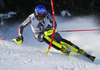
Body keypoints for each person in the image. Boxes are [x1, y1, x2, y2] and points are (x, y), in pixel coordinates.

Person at [15, 4, 95, 61]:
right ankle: (64, 50)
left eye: (43, 16)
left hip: (48, 29)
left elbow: (54, 23)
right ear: (36, 14)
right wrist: (20, 35)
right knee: (45, 37)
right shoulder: (31, 18)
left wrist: (53, 28)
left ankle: (82, 52)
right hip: (38, 34)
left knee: (62, 40)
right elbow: (21, 26)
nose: (41, 17)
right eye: (40, 16)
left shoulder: (47, 14)